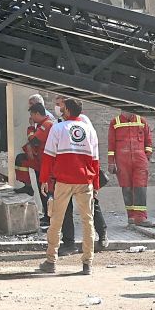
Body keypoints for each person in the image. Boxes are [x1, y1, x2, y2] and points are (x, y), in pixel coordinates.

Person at [38, 97, 99, 275]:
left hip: (63, 181)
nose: (60, 109)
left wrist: (44, 180)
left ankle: (51, 261)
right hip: (85, 182)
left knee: (56, 220)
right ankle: (87, 263)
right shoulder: (90, 130)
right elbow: (95, 161)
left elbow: (48, 156)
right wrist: (95, 185)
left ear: (68, 111)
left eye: (62, 107)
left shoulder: (58, 128)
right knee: (88, 221)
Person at [108, 111, 153, 226]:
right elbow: (111, 144)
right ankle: (131, 216)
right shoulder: (115, 122)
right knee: (126, 187)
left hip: (140, 160)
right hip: (122, 161)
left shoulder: (141, 121)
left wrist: (146, 156)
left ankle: (141, 216)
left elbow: (148, 141)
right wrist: (111, 162)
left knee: (140, 186)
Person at [26, 104, 55, 226]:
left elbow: (34, 141)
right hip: (41, 162)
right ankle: (47, 216)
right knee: (44, 190)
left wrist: (31, 128)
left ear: (37, 113)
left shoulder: (46, 124)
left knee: (46, 191)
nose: (31, 118)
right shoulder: (44, 124)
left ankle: (50, 218)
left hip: (46, 163)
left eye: (32, 115)